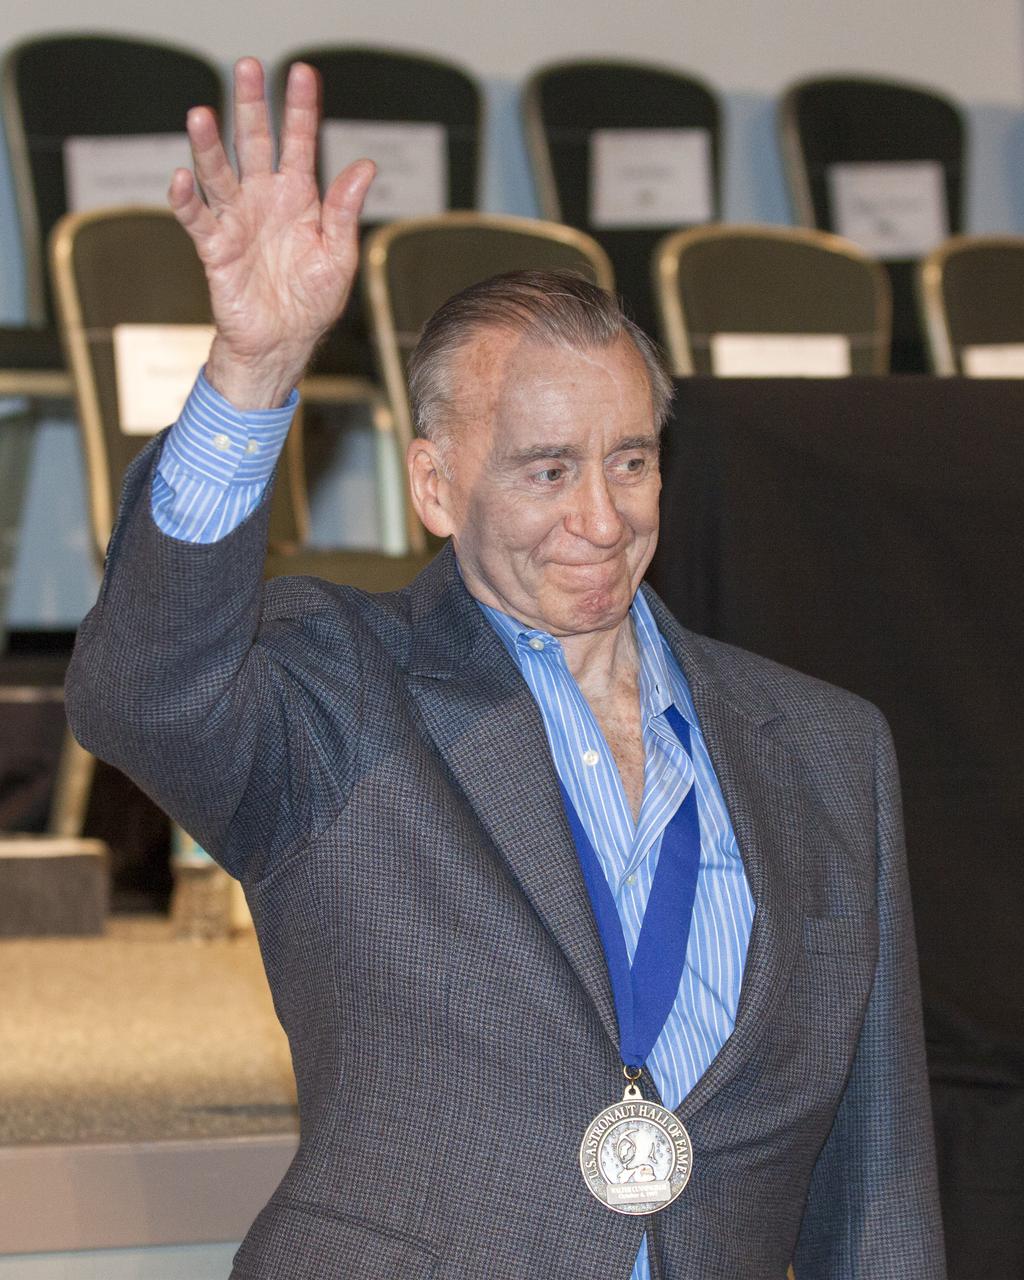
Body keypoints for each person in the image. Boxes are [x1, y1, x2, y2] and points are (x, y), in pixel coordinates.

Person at [65, 58, 946, 1279]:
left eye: (629, 460)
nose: (599, 516)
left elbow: (879, 1173)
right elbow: (141, 689)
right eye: (545, 468)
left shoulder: (828, 746)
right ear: (433, 485)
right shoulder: (337, 688)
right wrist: (254, 372)